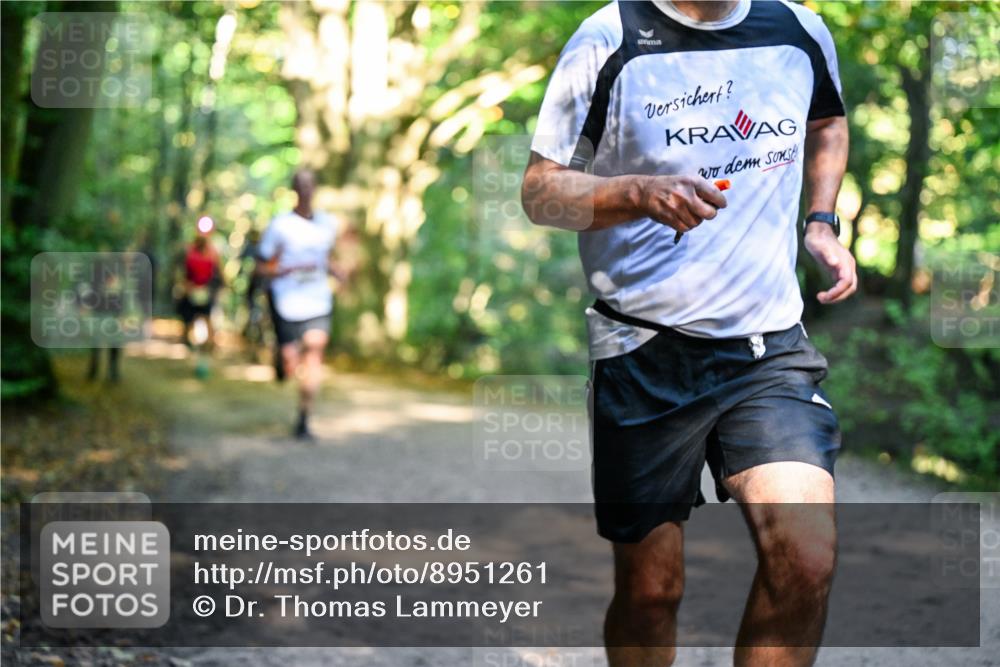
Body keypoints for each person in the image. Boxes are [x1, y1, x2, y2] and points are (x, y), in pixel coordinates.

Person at [521, 1, 855, 665]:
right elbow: (539, 193)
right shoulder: (608, 38)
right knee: (651, 590)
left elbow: (828, 121)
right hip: (644, 352)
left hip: (767, 349)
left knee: (807, 557)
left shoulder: (798, 29)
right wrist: (637, 192)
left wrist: (821, 219)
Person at [258, 169, 346, 441]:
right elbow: (261, 266)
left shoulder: (327, 224)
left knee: (314, 354)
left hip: (317, 300)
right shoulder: (280, 225)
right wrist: (279, 271)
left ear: (316, 188)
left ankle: (304, 418)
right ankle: (282, 358)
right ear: (294, 190)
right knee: (291, 363)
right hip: (286, 300)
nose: (307, 190)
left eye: (311, 185)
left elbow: (325, 259)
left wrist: (337, 272)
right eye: (301, 186)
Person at [177, 217, 223, 349]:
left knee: (205, 316)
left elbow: (218, 271)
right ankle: (190, 340)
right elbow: (184, 271)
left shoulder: (212, 252)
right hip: (193, 289)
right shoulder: (191, 252)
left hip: (204, 289)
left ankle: (209, 344)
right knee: (190, 317)